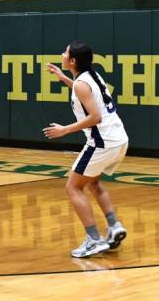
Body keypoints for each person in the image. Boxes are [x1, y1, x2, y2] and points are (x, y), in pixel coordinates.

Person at [44, 41, 129, 258]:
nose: (62, 54)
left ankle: (93, 240)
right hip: (118, 139)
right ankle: (114, 225)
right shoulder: (91, 76)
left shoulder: (82, 83)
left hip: (102, 143)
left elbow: (95, 117)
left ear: (72, 61)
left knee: (72, 187)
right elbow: (87, 94)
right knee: (92, 181)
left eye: (65, 52)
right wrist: (64, 79)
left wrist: (65, 130)